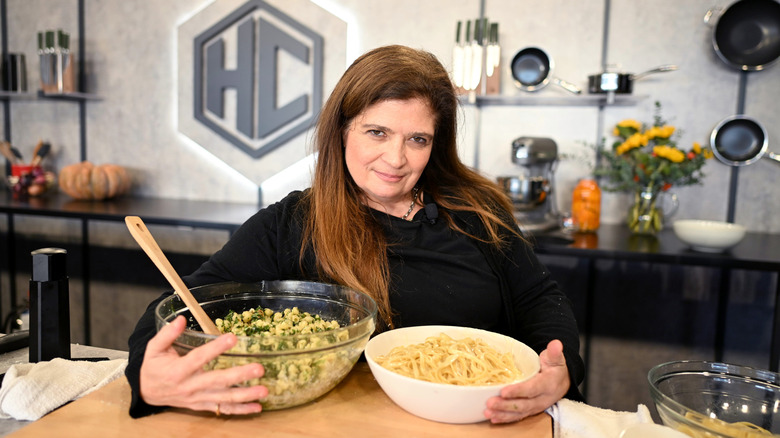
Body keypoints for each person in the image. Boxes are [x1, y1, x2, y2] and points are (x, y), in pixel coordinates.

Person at [126, 44, 585, 423]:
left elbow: (539, 299)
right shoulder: (291, 224)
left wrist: (560, 371)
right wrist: (148, 376)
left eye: (417, 139)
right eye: (377, 132)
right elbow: (187, 301)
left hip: (479, 423)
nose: (395, 158)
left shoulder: (478, 210)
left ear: (436, 143)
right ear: (342, 130)